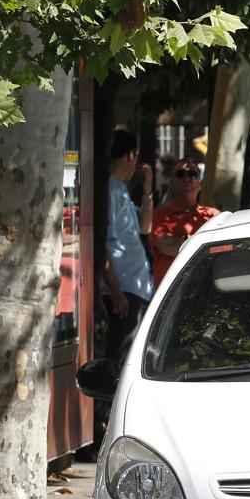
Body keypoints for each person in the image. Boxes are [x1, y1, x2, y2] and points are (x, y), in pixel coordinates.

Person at [102, 129, 154, 361]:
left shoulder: (120, 189)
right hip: (124, 288)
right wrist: (115, 291)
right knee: (120, 359)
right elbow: (103, 243)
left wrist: (147, 191)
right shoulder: (110, 190)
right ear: (131, 155)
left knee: (129, 358)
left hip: (134, 287)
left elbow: (145, 227)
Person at [149, 158, 219, 287]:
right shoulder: (159, 215)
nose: (187, 177)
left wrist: (183, 241)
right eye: (180, 173)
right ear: (171, 182)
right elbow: (166, 246)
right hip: (171, 296)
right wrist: (205, 243)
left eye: (192, 174)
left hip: (205, 291)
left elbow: (221, 249)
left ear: (200, 183)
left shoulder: (213, 215)